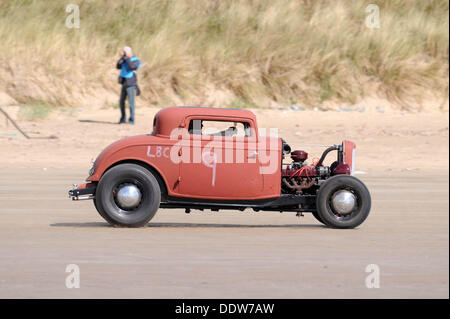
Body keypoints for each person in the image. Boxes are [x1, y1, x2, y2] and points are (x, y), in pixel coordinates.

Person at [116, 46, 142, 124]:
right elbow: (118, 66)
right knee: (121, 102)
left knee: (131, 102)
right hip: (124, 83)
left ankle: (131, 120)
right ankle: (123, 118)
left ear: (130, 52)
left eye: (125, 52)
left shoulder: (136, 60)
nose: (124, 53)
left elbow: (132, 67)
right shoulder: (124, 59)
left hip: (131, 83)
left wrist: (127, 58)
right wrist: (121, 58)